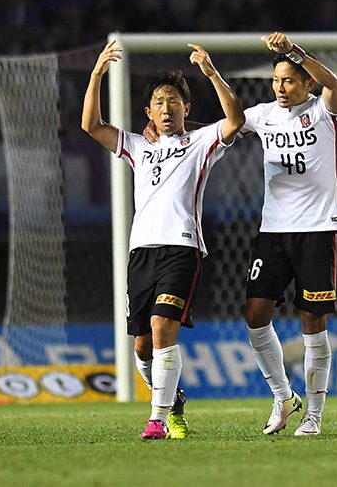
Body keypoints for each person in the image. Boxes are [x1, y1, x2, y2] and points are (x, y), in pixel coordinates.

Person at [81, 40, 244, 440]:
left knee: (161, 328)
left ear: (186, 109)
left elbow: (235, 120)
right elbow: (91, 126)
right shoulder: (137, 147)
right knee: (141, 347)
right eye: (159, 101)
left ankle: (156, 420)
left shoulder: (201, 142)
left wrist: (211, 73)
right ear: (148, 112)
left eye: (174, 101)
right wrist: (97, 73)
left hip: (182, 248)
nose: (166, 108)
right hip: (141, 254)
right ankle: (172, 403)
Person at [233, 32, 337, 437]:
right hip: (273, 231)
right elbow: (226, 127)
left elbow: (335, 84)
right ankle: (283, 396)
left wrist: (294, 51)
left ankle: (314, 414)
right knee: (255, 312)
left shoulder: (324, 109)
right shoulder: (261, 114)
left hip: (317, 229)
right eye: (276, 81)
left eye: (289, 80)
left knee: (312, 320)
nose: (281, 88)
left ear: (306, 84)